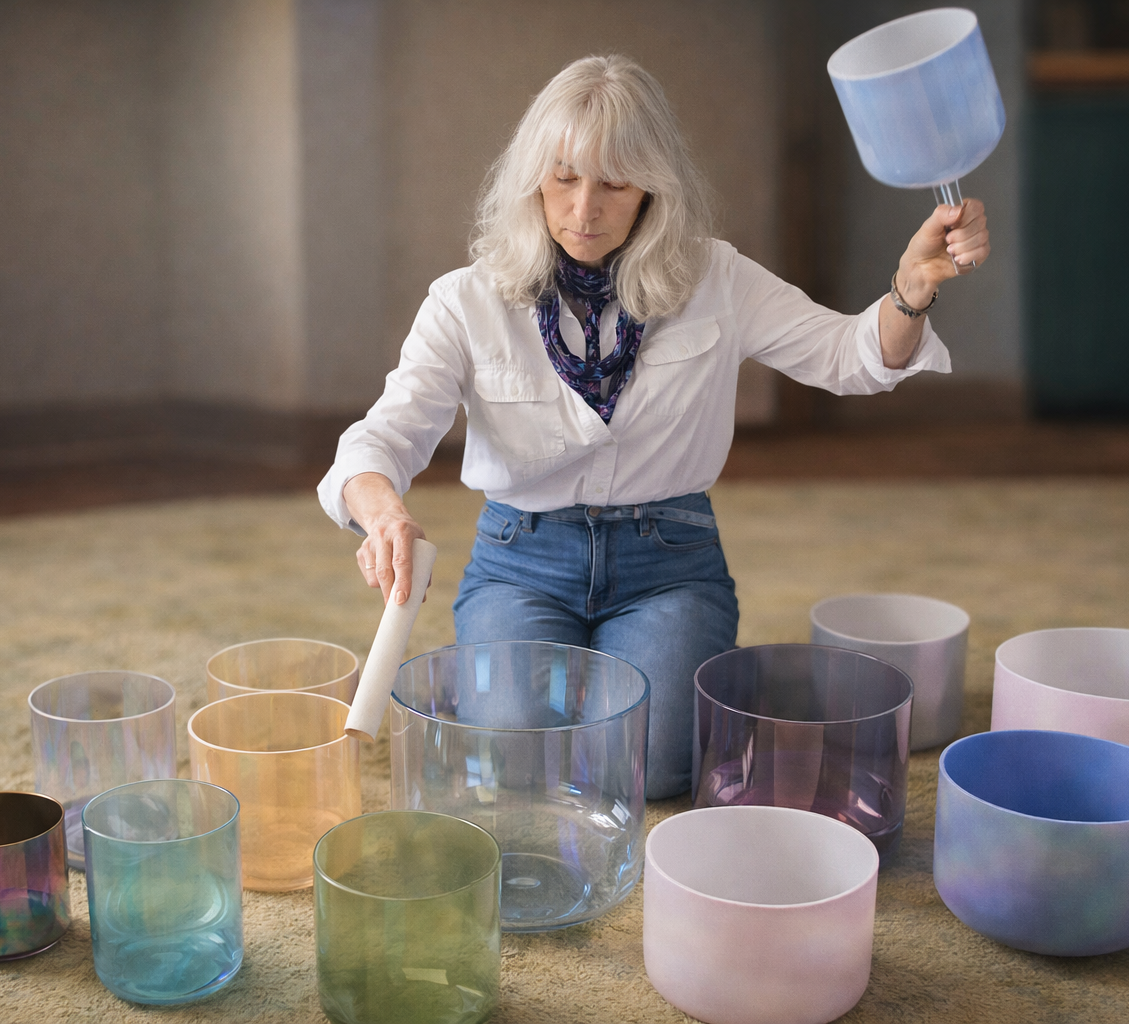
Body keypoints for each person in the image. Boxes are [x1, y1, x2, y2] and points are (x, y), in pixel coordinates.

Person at [317, 54, 989, 799]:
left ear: (653, 188)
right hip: (522, 559)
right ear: (531, 176)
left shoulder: (718, 278)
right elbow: (380, 438)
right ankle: (505, 696)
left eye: (614, 182)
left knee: (655, 773)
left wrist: (912, 287)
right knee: (516, 776)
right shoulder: (464, 300)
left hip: (668, 561)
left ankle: (585, 699)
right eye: (564, 176)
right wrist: (383, 513)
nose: (583, 209)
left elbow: (852, 358)